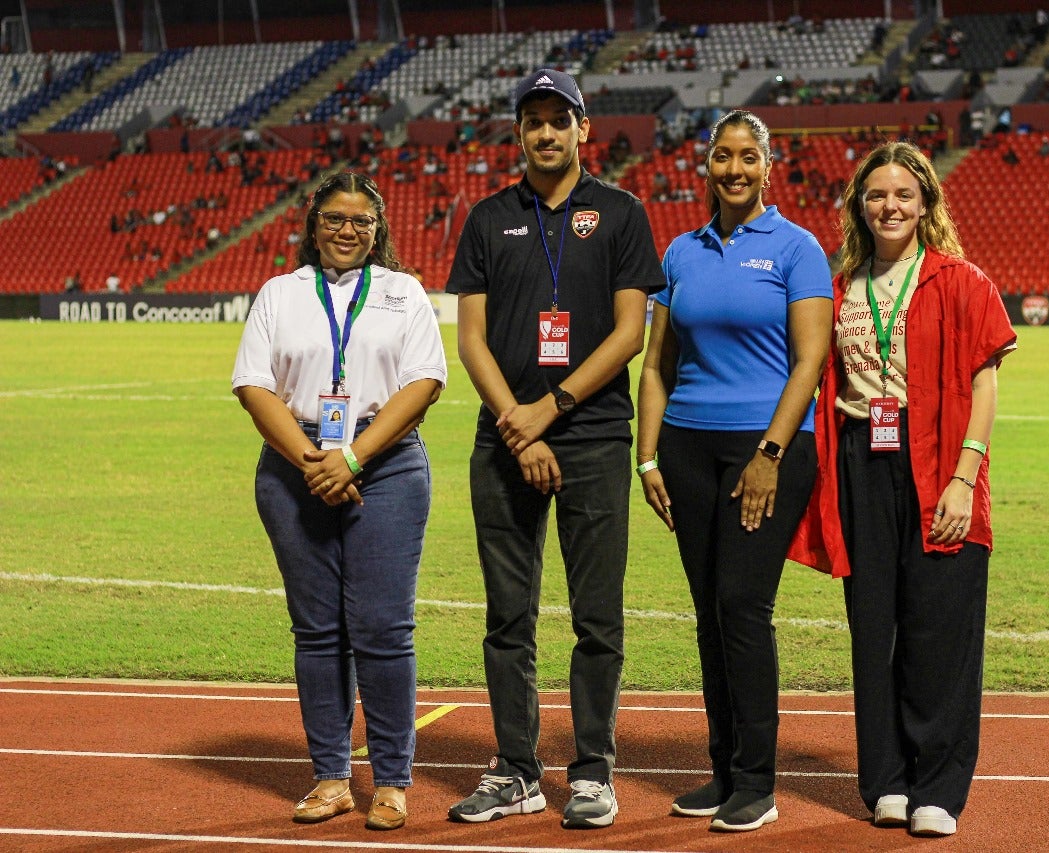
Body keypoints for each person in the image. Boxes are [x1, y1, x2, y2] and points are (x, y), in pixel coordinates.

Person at [444, 68, 664, 829]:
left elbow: (629, 334)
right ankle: (515, 768)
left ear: (582, 128)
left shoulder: (621, 212)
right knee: (509, 616)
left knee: (596, 617)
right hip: (505, 439)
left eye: (557, 118)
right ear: (518, 133)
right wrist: (517, 420)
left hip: (594, 437)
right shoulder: (486, 217)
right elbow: (470, 340)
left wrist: (551, 408)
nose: (545, 131)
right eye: (531, 119)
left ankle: (594, 770)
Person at [789, 141, 1017, 838]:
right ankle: (885, 779)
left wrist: (964, 476)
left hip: (939, 462)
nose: (890, 206)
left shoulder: (961, 280)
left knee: (940, 630)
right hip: (862, 461)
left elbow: (986, 379)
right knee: (873, 627)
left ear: (926, 205)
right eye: (877, 195)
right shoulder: (842, 284)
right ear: (860, 206)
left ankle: (939, 786)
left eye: (903, 195)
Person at [231, 172, 448, 832]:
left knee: (383, 628)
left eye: (361, 220)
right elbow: (252, 383)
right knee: (318, 631)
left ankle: (391, 780)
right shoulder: (280, 292)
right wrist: (314, 461)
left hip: (383, 465)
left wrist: (351, 458)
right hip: (295, 467)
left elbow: (425, 382)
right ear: (313, 224)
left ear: (377, 229)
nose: (348, 230)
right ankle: (330, 775)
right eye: (334, 218)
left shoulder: (402, 292)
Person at [635, 110, 832, 832]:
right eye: (723, 156)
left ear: (769, 164)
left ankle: (758, 781)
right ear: (706, 166)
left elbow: (810, 360)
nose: (736, 168)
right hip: (686, 448)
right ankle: (723, 770)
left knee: (744, 608)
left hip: (766, 449)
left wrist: (771, 454)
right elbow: (656, 364)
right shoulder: (681, 251)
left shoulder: (797, 247)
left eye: (749, 156)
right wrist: (647, 454)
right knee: (709, 614)